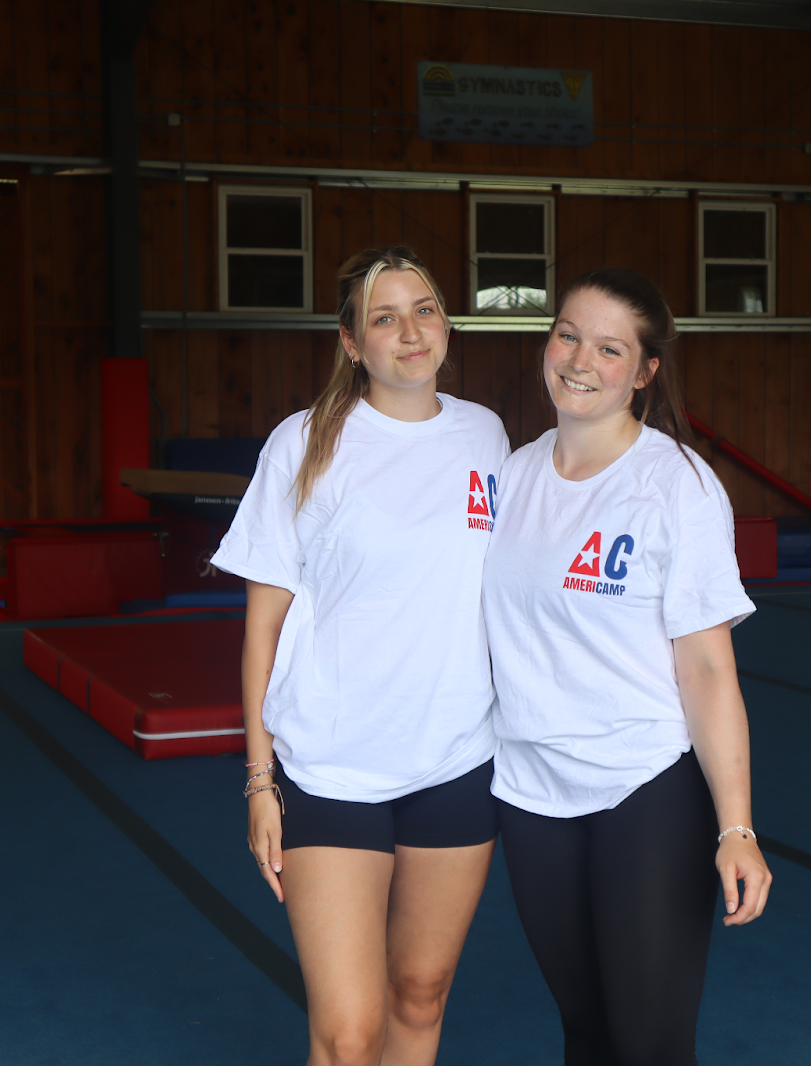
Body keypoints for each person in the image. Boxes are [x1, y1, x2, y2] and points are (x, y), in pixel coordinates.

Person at [211, 246, 510, 1066]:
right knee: (347, 1036)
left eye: (424, 310)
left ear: (446, 324)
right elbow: (262, 629)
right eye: (385, 318)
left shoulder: (485, 435)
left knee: (420, 993)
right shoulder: (306, 442)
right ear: (351, 343)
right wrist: (260, 779)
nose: (410, 332)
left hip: (455, 759)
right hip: (331, 765)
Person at [481, 268, 771, 1066]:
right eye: (568, 335)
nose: (581, 360)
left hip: (643, 786)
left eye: (610, 349)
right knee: (586, 1032)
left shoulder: (676, 487)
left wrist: (736, 828)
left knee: (649, 1046)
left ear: (644, 372)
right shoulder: (511, 477)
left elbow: (708, 670)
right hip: (531, 791)